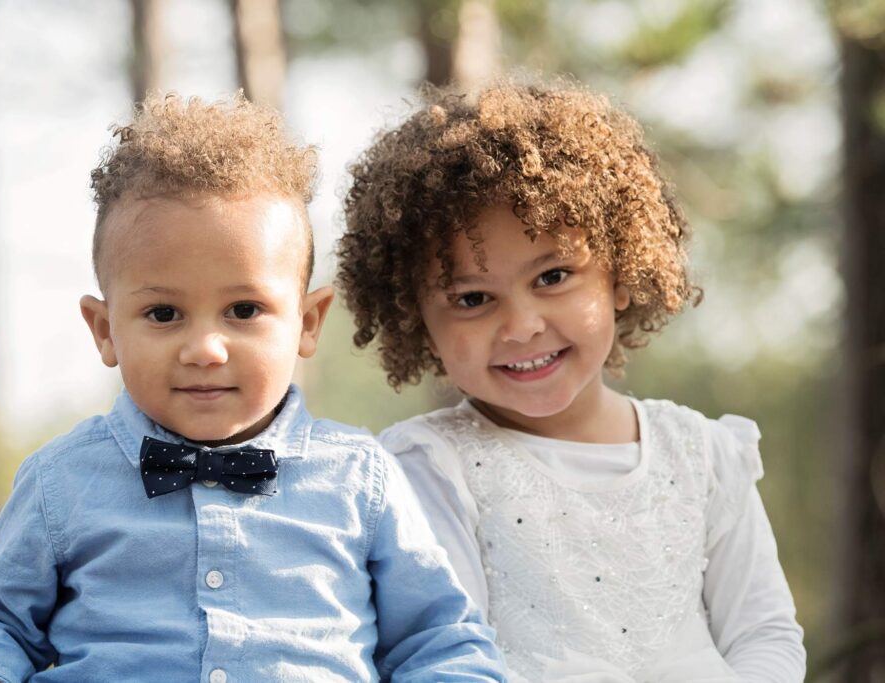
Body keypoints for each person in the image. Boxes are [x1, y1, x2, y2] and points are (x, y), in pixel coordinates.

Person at [0, 93, 505, 683]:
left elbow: (439, 641)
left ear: (306, 322)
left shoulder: (360, 481)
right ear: (104, 330)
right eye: (164, 314)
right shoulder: (62, 483)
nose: (204, 349)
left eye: (243, 310)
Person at [336, 79, 806, 682]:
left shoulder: (704, 453)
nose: (522, 326)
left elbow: (764, 634)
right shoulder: (428, 467)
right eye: (473, 297)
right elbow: (442, 655)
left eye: (553, 276)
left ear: (620, 273)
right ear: (418, 321)